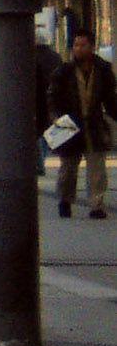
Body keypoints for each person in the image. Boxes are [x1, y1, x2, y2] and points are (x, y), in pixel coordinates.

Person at [47, 30, 117, 219]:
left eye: (82, 45)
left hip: (94, 124)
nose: (78, 49)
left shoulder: (103, 70)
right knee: (68, 168)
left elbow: (110, 99)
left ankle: (96, 205)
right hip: (69, 123)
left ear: (92, 47)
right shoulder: (64, 71)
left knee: (97, 169)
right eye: (76, 45)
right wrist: (56, 117)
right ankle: (65, 200)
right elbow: (53, 96)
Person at [35, 38, 63, 177]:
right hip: (54, 97)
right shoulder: (56, 57)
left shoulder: (31, 56)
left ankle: (40, 162)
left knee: (38, 132)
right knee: (50, 129)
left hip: (38, 98)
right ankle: (45, 156)